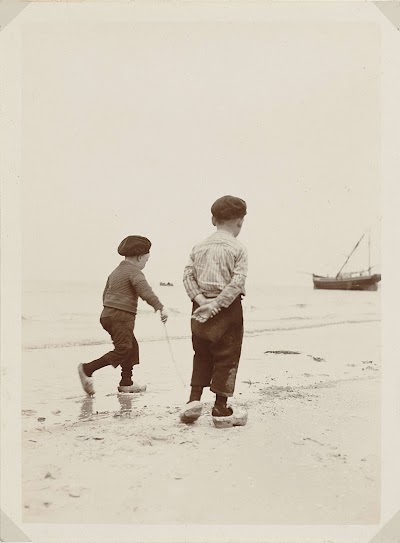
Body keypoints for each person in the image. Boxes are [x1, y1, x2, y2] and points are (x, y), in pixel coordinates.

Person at [181, 195, 248, 428]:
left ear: (213, 220)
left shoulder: (199, 247)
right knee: (227, 356)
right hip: (227, 308)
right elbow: (237, 282)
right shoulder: (238, 248)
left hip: (199, 308)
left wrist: (202, 301)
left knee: (201, 353)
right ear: (240, 221)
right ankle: (220, 407)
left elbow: (187, 276)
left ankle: (193, 400)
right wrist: (216, 304)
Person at [78, 235, 168, 396]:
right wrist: (159, 307)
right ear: (140, 257)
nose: (146, 263)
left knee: (130, 346)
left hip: (107, 315)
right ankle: (87, 369)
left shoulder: (115, 272)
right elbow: (145, 291)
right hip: (121, 317)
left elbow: (105, 293)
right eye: (146, 260)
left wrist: (110, 310)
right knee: (123, 349)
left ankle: (127, 382)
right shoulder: (134, 272)